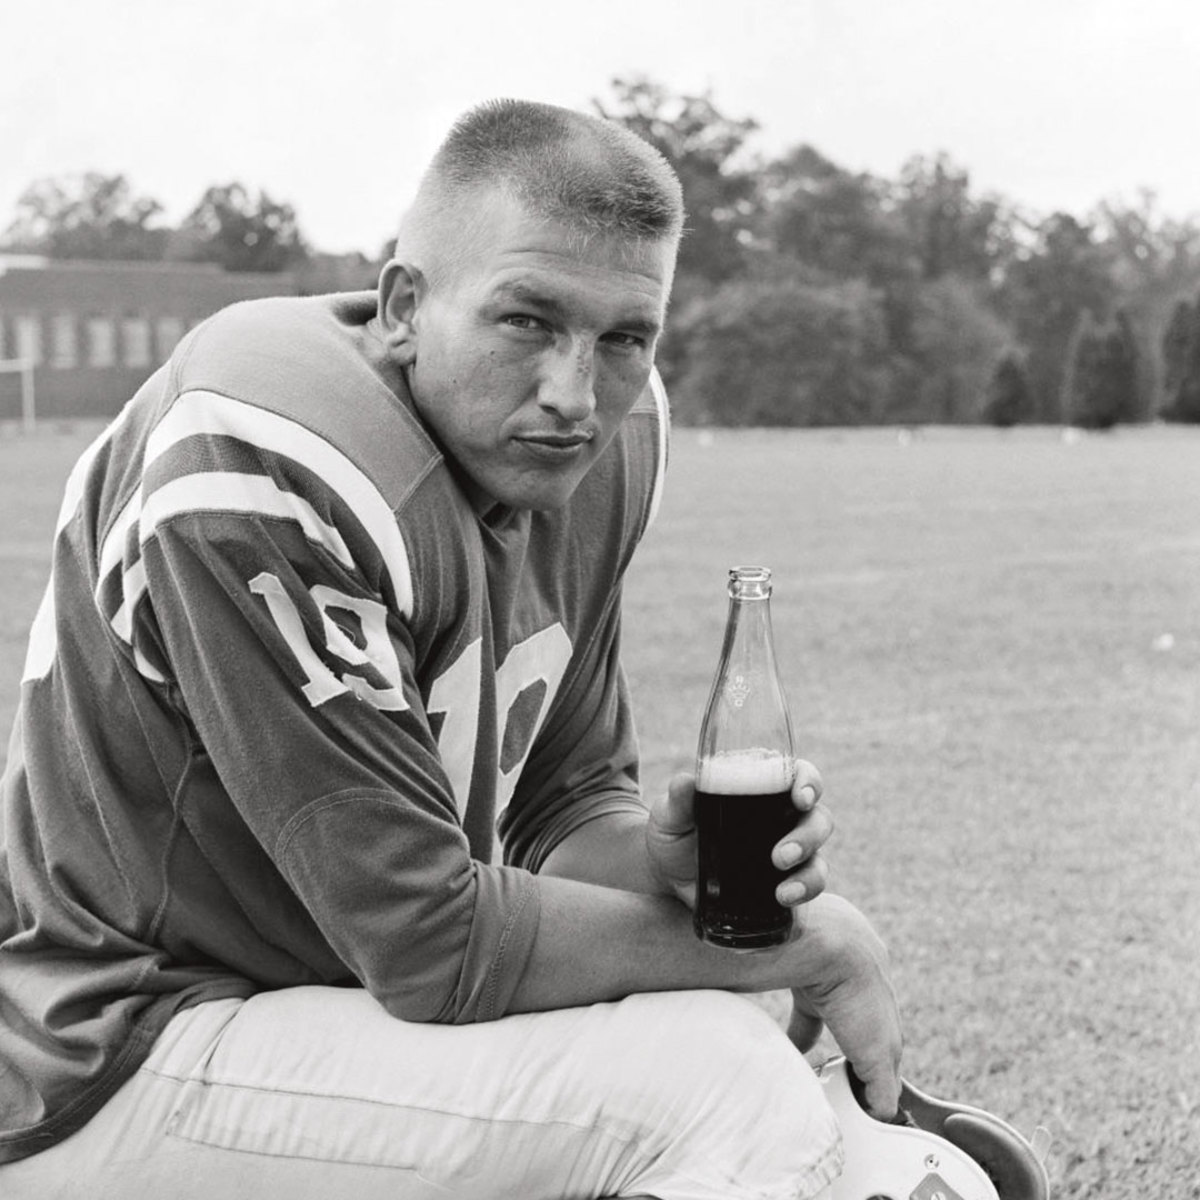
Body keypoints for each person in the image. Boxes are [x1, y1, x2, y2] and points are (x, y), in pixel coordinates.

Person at [0, 99, 902, 1200]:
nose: (576, 395)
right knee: (718, 1086)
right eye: (527, 320)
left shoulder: (594, 449)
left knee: (697, 1016)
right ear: (404, 306)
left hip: (310, 1012)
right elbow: (431, 943)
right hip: (123, 1045)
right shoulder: (264, 452)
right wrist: (805, 944)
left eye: (626, 336)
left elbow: (564, 806)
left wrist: (665, 865)